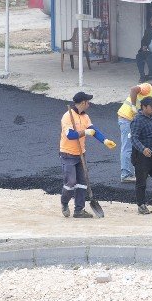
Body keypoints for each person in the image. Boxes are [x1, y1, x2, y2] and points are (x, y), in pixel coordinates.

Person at [60, 91, 116, 219]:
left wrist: (105, 141)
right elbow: (70, 135)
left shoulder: (85, 117)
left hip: (81, 154)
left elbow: (94, 131)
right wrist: (85, 132)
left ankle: (79, 210)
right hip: (67, 153)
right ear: (83, 102)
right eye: (88, 101)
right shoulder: (68, 117)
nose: (89, 103)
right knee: (71, 182)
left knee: (82, 182)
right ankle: (64, 203)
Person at [117, 78, 152, 183]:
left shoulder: (150, 95)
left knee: (137, 145)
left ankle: (140, 172)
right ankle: (125, 175)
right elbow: (133, 89)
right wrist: (133, 106)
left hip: (133, 119)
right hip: (127, 118)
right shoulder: (147, 87)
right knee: (128, 146)